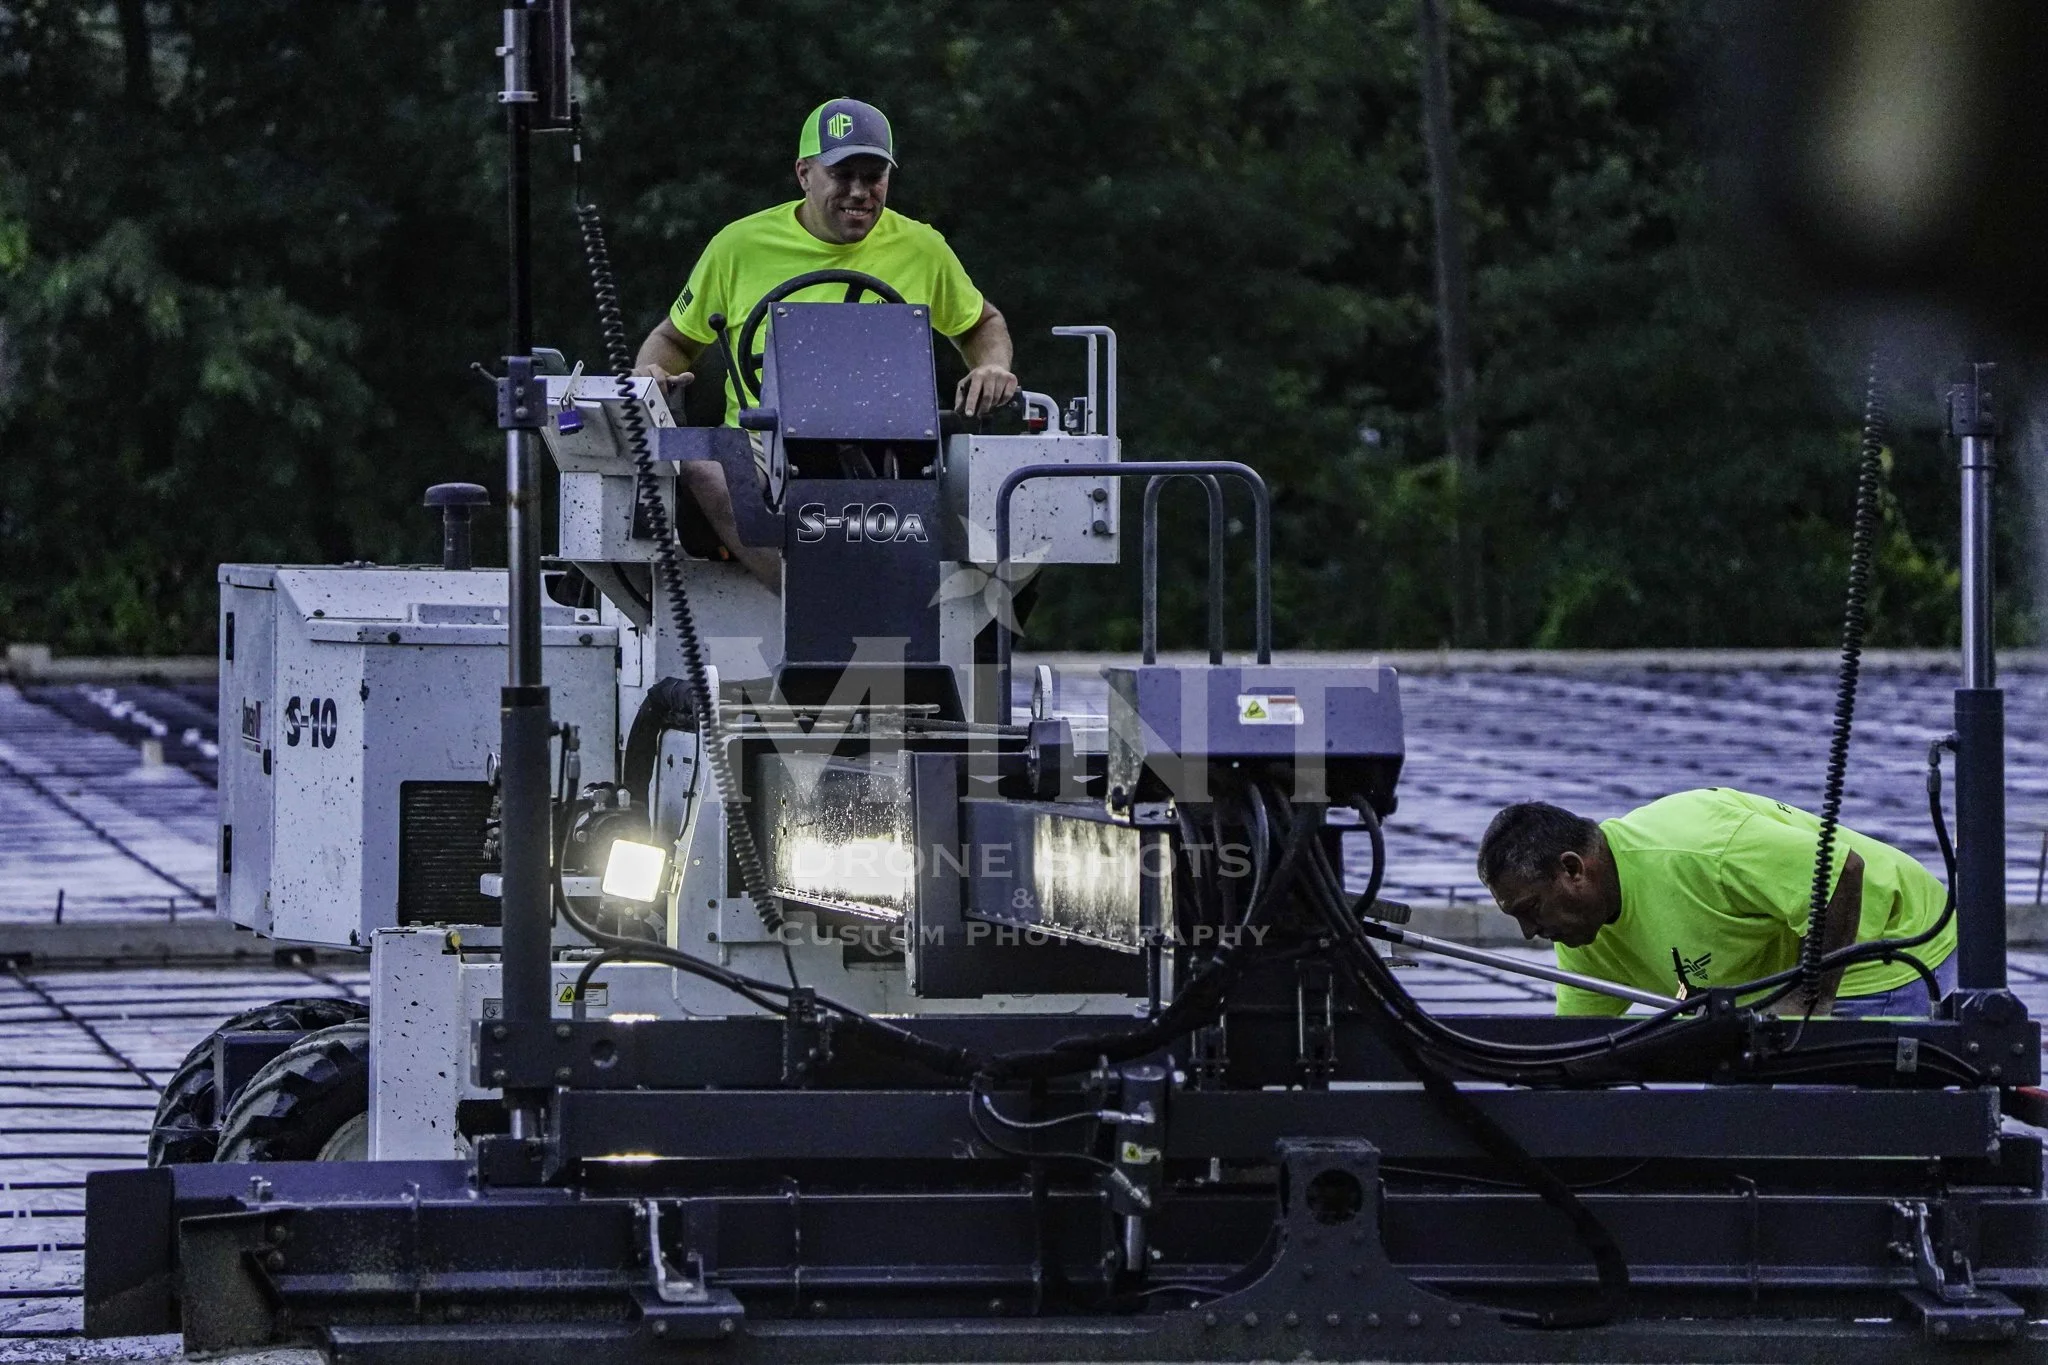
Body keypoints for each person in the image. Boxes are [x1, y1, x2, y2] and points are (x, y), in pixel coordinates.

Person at [634, 97, 1018, 585]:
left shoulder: (922, 248)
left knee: (998, 481)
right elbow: (672, 338)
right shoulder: (739, 246)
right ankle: (815, 599)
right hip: (762, 452)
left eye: (873, 175)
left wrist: (990, 367)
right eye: (842, 175)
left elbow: (982, 324)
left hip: (889, 454)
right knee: (701, 461)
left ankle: (893, 609)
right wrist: (651, 376)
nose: (860, 192)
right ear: (804, 173)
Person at [1476, 788, 1956, 1018]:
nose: (1529, 933)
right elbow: (1580, 1045)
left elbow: (1840, 872)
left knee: (1826, 1140)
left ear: (1573, 869)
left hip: (1885, 945)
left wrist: (1810, 997)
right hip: (1780, 978)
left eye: (1530, 909)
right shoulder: (1583, 933)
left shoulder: (1696, 848)